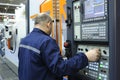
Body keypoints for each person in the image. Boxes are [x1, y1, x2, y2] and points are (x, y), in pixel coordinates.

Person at [18, 13, 101, 80]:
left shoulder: (24, 40)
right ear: (49, 24)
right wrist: (86, 57)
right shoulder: (46, 41)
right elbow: (60, 68)